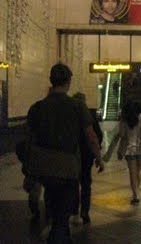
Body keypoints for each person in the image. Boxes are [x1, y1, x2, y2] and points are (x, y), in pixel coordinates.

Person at [26, 63, 105, 243]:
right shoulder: (77, 106)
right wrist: (99, 158)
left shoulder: (37, 107)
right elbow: (91, 136)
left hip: (43, 168)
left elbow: (30, 140)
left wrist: (28, 172)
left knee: (52, 204)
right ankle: (59, 235)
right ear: (68, 82)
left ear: (51, 81)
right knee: (63, 214)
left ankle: (56, 231)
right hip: (67, 168)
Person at [71, 92, 104, 224]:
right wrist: (98, 157)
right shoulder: (89, 116)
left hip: (71, 156)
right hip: (86, 156)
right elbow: (96, 137)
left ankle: (74, 211)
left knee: (73, 184)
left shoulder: (69, 116)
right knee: (85, 184)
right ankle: (85, 212)